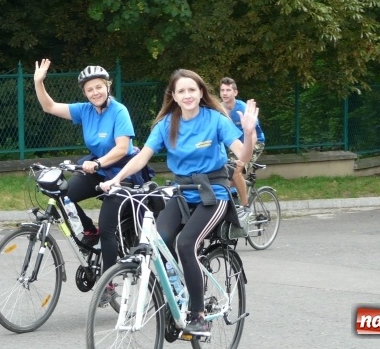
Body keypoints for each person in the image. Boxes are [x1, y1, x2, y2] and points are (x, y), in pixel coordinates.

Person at [100, 69, 259, 336]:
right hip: (183, 191)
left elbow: (241, 155)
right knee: (158, 241)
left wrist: (249, 134)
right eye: (181, 91)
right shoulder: (166, 125)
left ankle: (198, 314)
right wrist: (116, 179)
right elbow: (142, 157)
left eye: (192, 90)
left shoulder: (216, 120)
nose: (187, 95)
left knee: (186, 244)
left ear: (200, 93)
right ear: (173, 96)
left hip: (214, 192)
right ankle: (177, 295)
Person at [33, 59, 144, 301]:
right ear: (84, 92)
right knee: (62, 194)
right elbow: (49, 106)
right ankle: (88, 230)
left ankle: (108, 284)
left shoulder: (119, 111)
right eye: (89, 89)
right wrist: (38, 82)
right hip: (97, 167)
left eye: (98, 87)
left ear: (107, 86)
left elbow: (123, 148)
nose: (95, 92)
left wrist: (98, 163)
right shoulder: (84, 110)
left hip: (123, 172)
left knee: (108, 228)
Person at [219, 77, 265, 206]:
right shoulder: (219, 109)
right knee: (223, 176)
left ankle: (245, 207)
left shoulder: (243, 108)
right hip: (233, 145)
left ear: (235, 92)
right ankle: (234, 200)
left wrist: (243, 156)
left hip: (253, 142)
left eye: (228, 90)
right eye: (222, 90)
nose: (224, 93)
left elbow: (253, 135)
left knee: (235, 172)